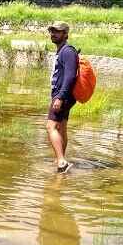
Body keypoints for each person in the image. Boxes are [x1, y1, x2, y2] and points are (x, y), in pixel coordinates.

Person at [46, 21, 78, 173]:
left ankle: (61, 162)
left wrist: (60, 97)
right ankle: (61, 158)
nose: (53, 34)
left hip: (63, 95)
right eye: (52, 31)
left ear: (65, 34)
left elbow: (70, 76)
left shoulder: (67, 51)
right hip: (64, 95)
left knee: (51, 126)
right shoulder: (63, 51)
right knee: (62, 128)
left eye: (57, 31)